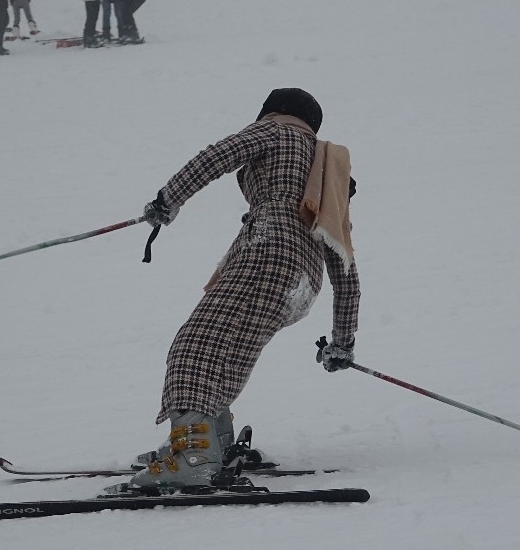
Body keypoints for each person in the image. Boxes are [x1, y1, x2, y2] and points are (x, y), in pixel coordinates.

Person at [131, 88, 361, 489]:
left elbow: (217, 156)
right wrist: (343, 343)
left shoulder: (276, 133)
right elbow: (345, 268)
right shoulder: (327, 175)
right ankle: (210, 444)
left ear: (272, 113)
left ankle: (195, 456)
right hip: (302, 281)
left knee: (194, 346)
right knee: (227, 352)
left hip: (268, 252)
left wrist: (169, 199)